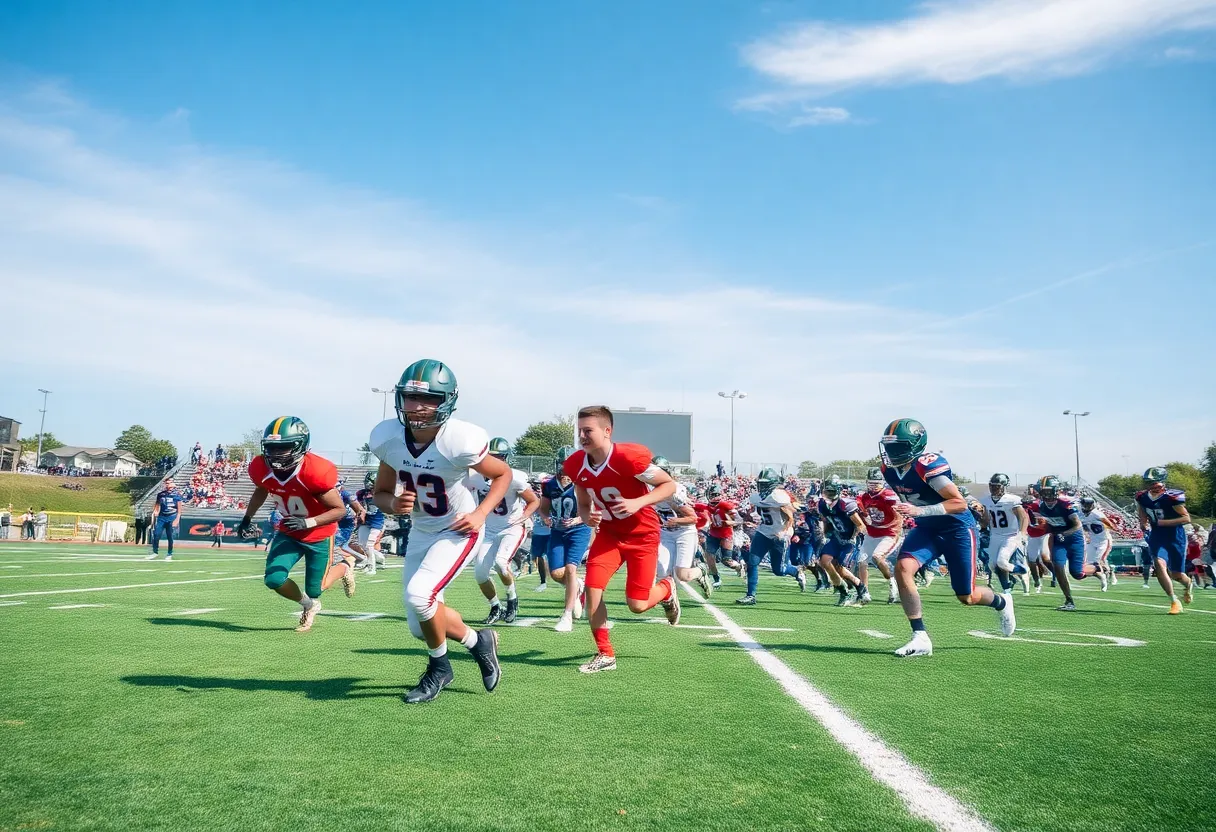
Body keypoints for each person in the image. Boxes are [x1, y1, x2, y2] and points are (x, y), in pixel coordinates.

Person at [369, 359, 507, 704]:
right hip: (421, 530)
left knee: (420, 596)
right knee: (420, 626)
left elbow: (502, 474)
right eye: (412, 397)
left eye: (429, 399)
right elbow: (381, 494)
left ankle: (440, 668)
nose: (418, 406)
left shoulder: (458, 440)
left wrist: (480, 513)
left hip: (457, 529)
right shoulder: (389, 439)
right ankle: (479, 641)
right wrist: (394, 503)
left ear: (446, 402)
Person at [879, 419, 1015, 657]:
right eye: (889, 446)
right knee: (903, 568)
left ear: (915, 445)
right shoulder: (887, 469)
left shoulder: (926, 466)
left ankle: (1002, 602)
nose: (891, 452)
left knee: (966, 596)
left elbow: (959, 503)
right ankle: (920, 636)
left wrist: (919, 510)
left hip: (957, 529)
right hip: (927, 528)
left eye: (898, 446)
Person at [563, 405, 681, 674]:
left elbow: (669, 485)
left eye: (588, 430)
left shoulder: (627, 457)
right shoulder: (576, 464)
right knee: (592, 589)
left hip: (642, 535)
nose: (581, 436)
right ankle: (605, 654)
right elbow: (583, 503)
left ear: (607, 431)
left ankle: (666, 588)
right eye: (579, 430)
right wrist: (587, 516)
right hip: (610, 534)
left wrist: (638, 502)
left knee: (637, 605)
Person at [237, 417, 357, 633]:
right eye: (272, 447)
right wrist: (247, 518)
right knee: (274, 579)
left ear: (300, 446)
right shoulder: (260, 467)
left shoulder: (314, 471)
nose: (276, 454)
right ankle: (309, 605)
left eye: (283, 447)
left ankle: (346, 566)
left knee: (317, 588)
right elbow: (261, 489)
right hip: (290, 531)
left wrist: (308, 522)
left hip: (319, 533)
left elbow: (339, 510)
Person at [470, 437, 539, 625]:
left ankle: (512, 599)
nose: (495, 460)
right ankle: (495, 606)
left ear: (506, 458)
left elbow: (534, 501)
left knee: (501, 563)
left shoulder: (514, 478)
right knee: (480, 573)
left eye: (499, 457)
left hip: (511, 527)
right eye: (492, 456)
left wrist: (524, 517)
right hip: (489, 529)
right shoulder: (476, 476)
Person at [541, 446, 592, 632]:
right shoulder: (550, 484)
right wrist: (546, 518)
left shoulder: (583, 482)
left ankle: (566, 615)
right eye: (562, 463)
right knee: (556, 573)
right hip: (557, 531)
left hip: (579, 530)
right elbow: (543, 508)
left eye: (568, 463)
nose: (564, 467)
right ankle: (577, 586)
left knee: (571, 569)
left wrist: (578, 519)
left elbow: (592, 509)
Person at [1037, 475, 1106, 611]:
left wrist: (1064, 533)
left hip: (1074, 539)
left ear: (1056, 490)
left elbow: (1077, 525)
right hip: (1059, 540)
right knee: (1058, 566)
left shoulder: (1065, 504)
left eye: (1049, 491)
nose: (1047, 495)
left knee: (1077, 573)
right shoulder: (1042, 506)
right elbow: (1051, 525)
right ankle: (1069, 600)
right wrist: (1046, 529)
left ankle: (1098, 568)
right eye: (1044, 492)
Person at [737, 468, 803, 605]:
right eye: (760, 483)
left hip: (780, 535)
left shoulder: (779, 497)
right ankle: (751, 596)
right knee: (752, 562)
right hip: (763, 532)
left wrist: (784, 531)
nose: (762, 486)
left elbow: (791, 517)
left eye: (765, 483)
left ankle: (796, 571)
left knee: (779, 570)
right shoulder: (757, 497)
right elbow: (756, 511)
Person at [1135, 467, 1194, 614]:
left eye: (1154, 482)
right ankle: (1174, 601)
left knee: (1177, 575)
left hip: (1175, 536)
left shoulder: (1172, 497)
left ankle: (1188, 585)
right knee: (1159, 565)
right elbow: (1142, 509)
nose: (1152, 485)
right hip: (1157, 536)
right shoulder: (1142, 497)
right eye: (1149, 482)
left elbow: (1186, 518)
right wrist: (1143, 522)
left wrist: (1163, 522)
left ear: (1162, 482)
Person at [652, 455, 713, 597]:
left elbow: (693, 518)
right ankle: (671, 601)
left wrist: (676, 521)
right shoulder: (650, 489)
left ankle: (701, 570)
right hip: (666, 533)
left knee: (683, 575)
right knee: (662, 572)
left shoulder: (673, 490)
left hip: (684, 532)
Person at [813, 476, 867, 606]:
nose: (829, 494)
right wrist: (826, 534)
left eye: (831, 491)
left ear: (838, 491)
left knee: (840, 566)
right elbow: (826, 520)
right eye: (827, 491)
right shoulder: (822, 504)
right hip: (837, 537)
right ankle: (843, 591)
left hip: (850, 538)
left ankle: (860, 586)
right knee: (824, 561)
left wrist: (853, 539)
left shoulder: (846, 504)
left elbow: (860, 525)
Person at [979, 474, 1031, 596]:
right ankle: (1007, 587)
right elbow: (985, 520)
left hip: (1011, 535)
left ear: (1004, 487)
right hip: (995, 535)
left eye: (997, 486)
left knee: (1002, 561)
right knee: (992, 565)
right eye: (992, 486)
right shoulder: (985, 500)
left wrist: (1022, 533)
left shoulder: (1011, 500)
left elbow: (1023, 517)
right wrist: (981, 522)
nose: (994, 489)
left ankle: (1022, 570)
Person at [856, 467, 902, 603]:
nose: (874, 486)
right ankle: (864, 592)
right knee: (861, 561)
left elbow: (899, 504)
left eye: (877, 483)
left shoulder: (888, 496)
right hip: (872, 533)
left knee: (877, 556)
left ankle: (893, 581)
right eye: (871, 483)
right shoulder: (863, 497)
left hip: (889, 533)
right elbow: (858, 508)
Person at [1079, 495, 1116, 590]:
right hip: (1092, 541)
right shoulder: (1080, 514)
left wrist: (1106, 528)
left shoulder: (1097, 514)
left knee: (1099, 561)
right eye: (1085, 505)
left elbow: (1110, 524)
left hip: (1103, 540)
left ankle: (1109, 575)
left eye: (1088, 505)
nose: (1086, 507)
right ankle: (1104, 576)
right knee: (1089, 564)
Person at [354, 472, 387, 575]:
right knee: (363, 545)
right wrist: (360, 514)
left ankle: (372, 568)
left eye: (370, 481)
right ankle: (380, 559)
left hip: (377, 522)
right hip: (365, 521)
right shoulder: (361, 493)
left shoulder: (382, 494)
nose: (368, 484)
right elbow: (358, 505)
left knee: (369, 545)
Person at [147, 482, 183, 561]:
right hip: (162, 517)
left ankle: (169, 553)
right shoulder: (161, 495)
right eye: (169, 487)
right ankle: (155, 552)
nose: (170, 489)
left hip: (172, 516)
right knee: (156, 534)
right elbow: (157, 504)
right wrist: (156, 511)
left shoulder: (177, 496)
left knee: (170, 536)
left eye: (172, 487)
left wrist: (177, 519)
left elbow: (179, 510)